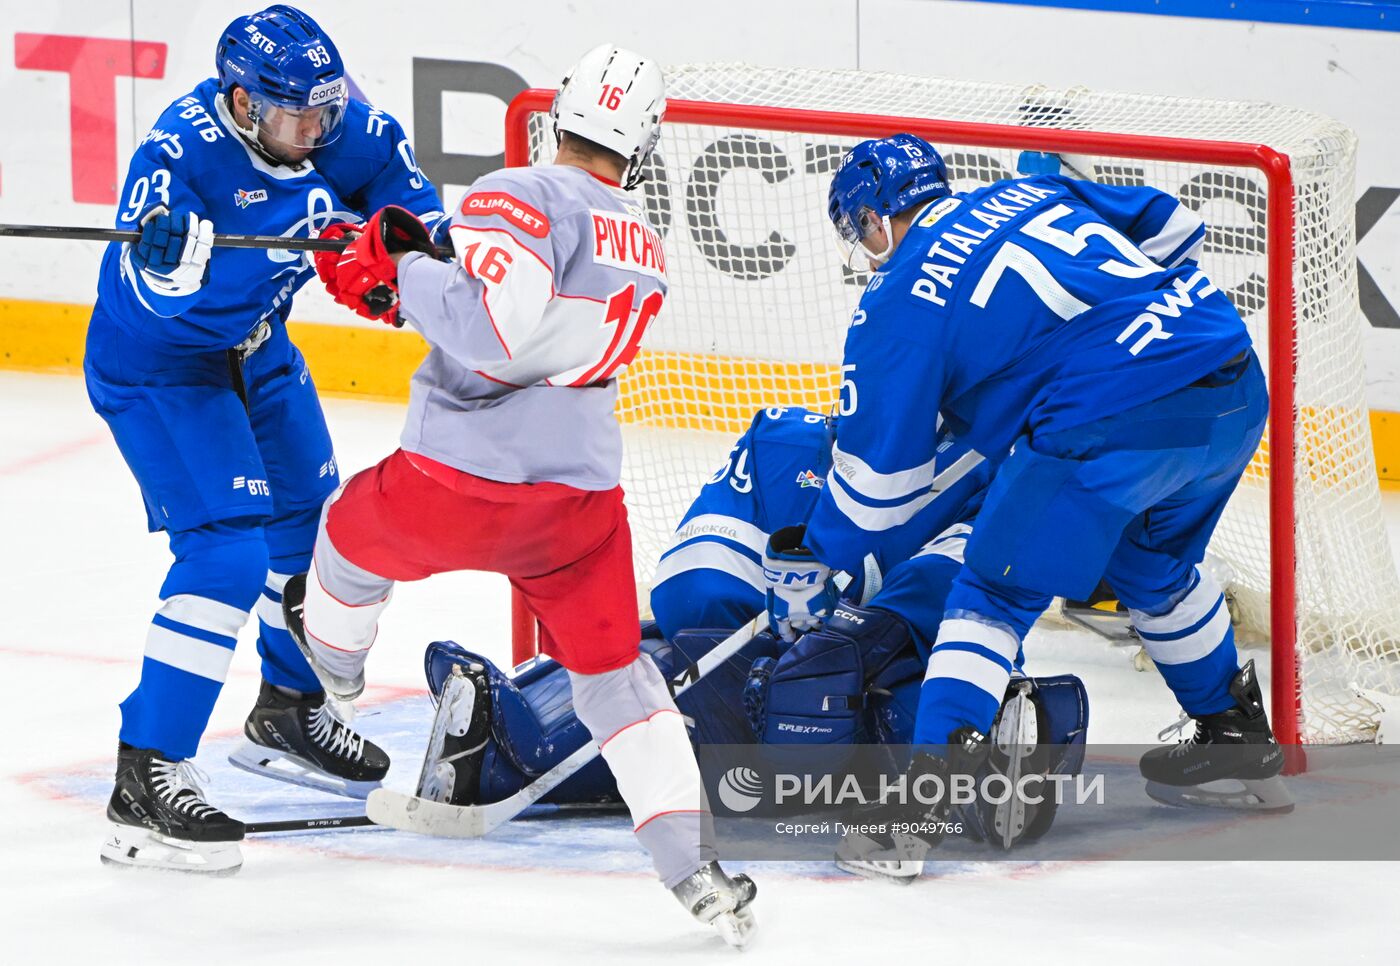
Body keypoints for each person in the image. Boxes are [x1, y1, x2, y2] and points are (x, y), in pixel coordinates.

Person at [279, 45, 756, 947]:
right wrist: (417, 271)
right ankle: (693, 868)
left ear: (558, 115)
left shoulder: (520, 191)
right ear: (643, 145)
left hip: (458, 481)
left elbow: (494, 332)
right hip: (575, 510)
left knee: (344, 537)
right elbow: (531, 319)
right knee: (620, 681)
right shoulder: (644, 244)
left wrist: (399, 276)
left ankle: (332, 680)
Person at [810, 135, 1285, 872]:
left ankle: (918, 809)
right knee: (1149, 565)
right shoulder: (1025, 190)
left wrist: (828, 561)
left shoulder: (898, 298)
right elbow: (1177, 231)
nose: (867, 251)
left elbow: (875, 499)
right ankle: (1234, 741)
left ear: (875, 219)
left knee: (993, 588)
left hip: (1112, 412)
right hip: (1226, 371)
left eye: (861, 233)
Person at [412, 405, 1086, 876]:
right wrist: (762, 642)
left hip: (887, 689)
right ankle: (496, 741)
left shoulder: (996, 474)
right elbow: (689, 586)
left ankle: (995, 761)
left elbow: (969, 594)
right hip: (764, 708)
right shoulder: (784, 446)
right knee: (677, 662)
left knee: (861, 688)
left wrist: (857, 637)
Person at [86, 5, 443, 875]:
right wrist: (173, 263)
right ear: (244, 104)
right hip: (162, 369)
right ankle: (148, 772)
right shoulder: (176, 155)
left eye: (325, 113)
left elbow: (410, 199)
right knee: (226, 559)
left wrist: (399, 242)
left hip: (259, 349)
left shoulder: (334, 123)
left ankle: (287, 708)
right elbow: (150, 299)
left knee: (320, 534)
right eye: (296, 118)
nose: (316, 132)